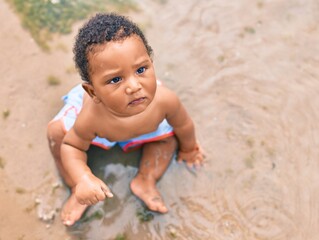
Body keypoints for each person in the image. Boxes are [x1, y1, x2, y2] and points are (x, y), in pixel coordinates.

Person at [47, 12, 204, 226]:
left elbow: (183, 124)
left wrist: (189, 148)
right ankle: (78, 190)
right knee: (56, 132)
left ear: (151, 63)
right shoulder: (91, 115)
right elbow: (72, 146)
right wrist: (82, 177)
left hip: (145, 131)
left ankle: (146, 179)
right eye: (115, 79)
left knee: (170, 140)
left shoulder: (164, 100)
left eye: (141, 69)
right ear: (93, 92)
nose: (134, 86)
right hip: (100, 131)